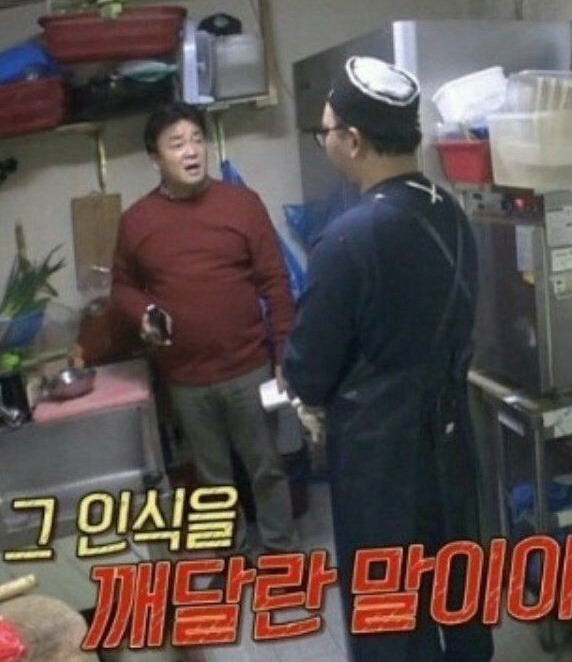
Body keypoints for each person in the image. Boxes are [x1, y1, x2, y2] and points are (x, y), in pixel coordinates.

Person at [284, 57, 494, 662]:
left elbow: (308, 369)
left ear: (353, 140)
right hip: (451, 443)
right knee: (458, 593)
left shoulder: (348, 237)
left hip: (381, 462)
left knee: (391, 615)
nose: (325, 142)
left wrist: (303, 390)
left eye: (326, 131)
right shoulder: (450, 210)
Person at [111, 101, 299, 563]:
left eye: (197, 140)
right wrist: (144, 311)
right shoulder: (136, 222)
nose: (191, 151)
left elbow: (276, 283)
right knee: (213, 479)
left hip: (249, 367)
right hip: (185, 377)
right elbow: (122, 286)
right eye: (177, 144)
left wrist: (285, 355)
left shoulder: (242, 205)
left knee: (266, 469)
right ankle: (232, 556)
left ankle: (280, 554)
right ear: (155, 158)